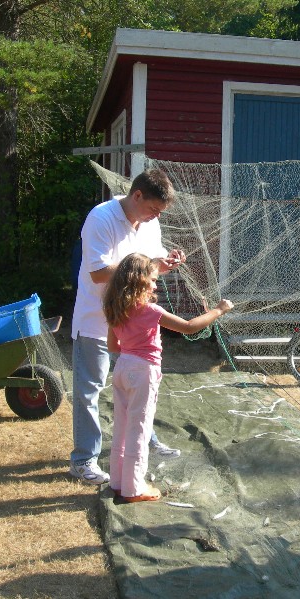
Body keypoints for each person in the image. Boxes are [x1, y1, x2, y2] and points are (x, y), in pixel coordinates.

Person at [70, 169, 186, 485]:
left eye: (159, 213)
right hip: (96, 319)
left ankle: (146, 441)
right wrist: (147, 266)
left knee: (137, 384)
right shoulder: (101, 218)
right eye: (152, 209)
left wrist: (165, 263)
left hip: (132, 323)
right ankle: (83, 460)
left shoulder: (150, 223)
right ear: (137, 196)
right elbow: (97, 273)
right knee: (89, 389)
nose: (154, 217)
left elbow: (152, 265)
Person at [103, 253, 234, 502]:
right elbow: (189, 327)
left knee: (122, 426)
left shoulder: (115, 307)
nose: (155, 284)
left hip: (121, 368)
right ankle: (134, 489)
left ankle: (119, 482)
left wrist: (131, 354)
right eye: (152, 280)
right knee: (139, 429)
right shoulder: (150, 310)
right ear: (138, 281)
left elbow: (113, 344)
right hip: (143, 371)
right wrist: (219, 310)